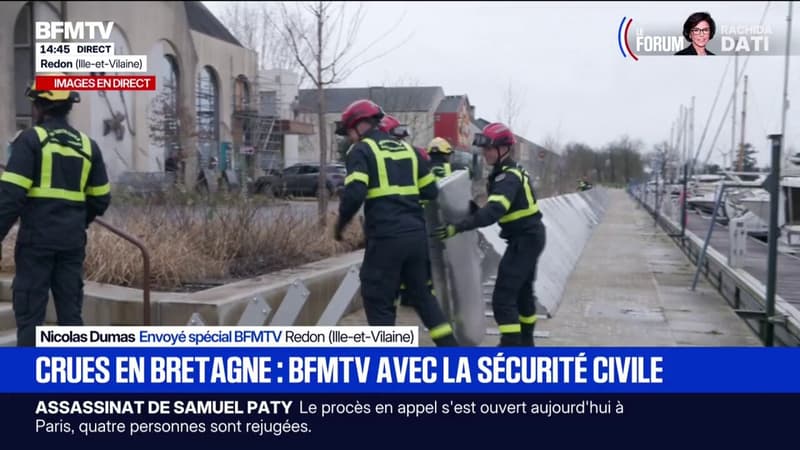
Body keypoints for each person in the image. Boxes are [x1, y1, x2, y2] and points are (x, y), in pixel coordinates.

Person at [333, 99, 458, 346]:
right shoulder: (408, 150)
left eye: (349, 131)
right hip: (416, 237)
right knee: (424, 297)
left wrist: (340, 225)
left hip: (386, 238)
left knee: (378, 298)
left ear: (359, 125)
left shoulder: (361, 150)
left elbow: (355, 193)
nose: (349, 137)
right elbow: (431, 192)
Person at [0, 75, 111, 347]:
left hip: (36, 243)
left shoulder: (30, 140)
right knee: (71, 315)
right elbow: (100, 199)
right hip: (72, 243)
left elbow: (10, 197)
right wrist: (75, 221)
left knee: (30, 316)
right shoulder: (88, 146)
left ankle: (28, 384)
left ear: (40, 106)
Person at [432, 122, 546, 347]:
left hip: (525, 241)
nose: (486, 154)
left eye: (490, 149)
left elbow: (494, 211)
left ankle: (511, 345)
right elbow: (494, 209)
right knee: (523, 294)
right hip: (529, 238)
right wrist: (468, 210)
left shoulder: (507, 178)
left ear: (504, 149)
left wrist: (459, 226)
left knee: (503, 298)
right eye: (484, 150)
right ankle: (526, 344)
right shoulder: (506, 172)